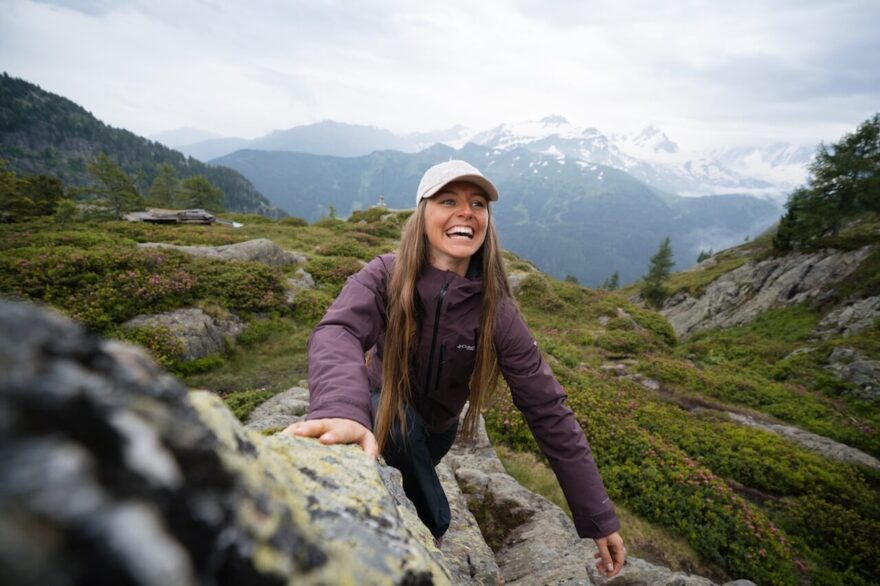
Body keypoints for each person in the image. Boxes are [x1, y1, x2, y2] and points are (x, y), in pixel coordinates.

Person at [285, 160, 625, 578]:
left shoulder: (495, 309)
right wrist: (339, 407)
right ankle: (434, 532)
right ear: (422, 214)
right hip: (378, 414)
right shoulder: (384, 276)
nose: (467, 212)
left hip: (437, 432)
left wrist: (599, 517)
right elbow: (338, 330)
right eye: (449, 200)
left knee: (410, 439)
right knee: (397, 425)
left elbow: (548, 409)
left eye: (478, 204)